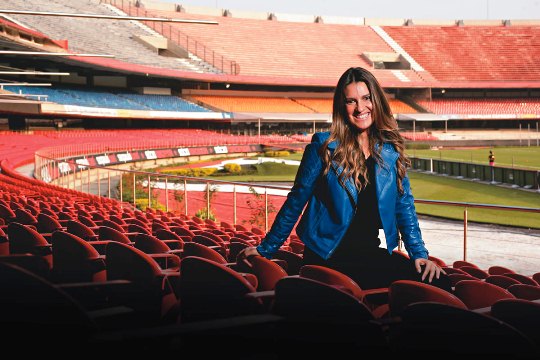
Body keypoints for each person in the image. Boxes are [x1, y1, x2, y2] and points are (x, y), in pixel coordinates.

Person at [238, 67, 449, 291]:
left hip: (369, 253)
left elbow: (404, 205)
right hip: (327, 255)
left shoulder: (389, 151)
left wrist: (419, 254)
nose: (360, 108)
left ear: (376, 100)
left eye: (366, 98)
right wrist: (266, 248)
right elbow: (295, 201)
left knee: (439, 281)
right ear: (342, 107)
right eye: (351, 101)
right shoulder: (323, 147)